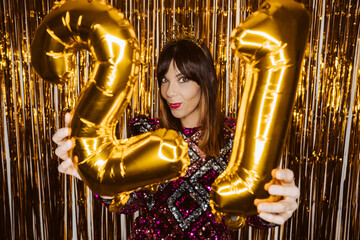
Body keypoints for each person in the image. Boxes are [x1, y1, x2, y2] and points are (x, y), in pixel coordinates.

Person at [53, 39, 300, 239]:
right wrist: (98, 179)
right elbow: (129, 202)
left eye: (183, 79)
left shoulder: (238, 138)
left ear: (208, 80)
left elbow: (254, 215)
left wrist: (276, 203)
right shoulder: (145, 133)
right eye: (164, 80)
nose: (170, 92)